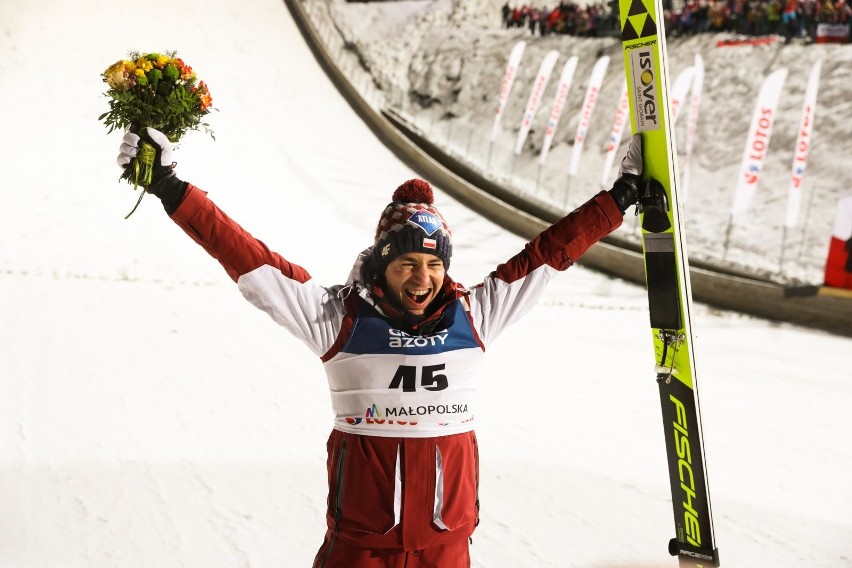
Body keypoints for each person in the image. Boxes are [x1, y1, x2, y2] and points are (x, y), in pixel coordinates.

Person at [115, 127, 643, 568]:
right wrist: (171, 188)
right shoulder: (337, 320)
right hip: (361, 550)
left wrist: (619, 199)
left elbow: (549, 253)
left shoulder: (474, 317)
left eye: (435, 264)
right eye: (407, 264)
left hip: (446, 547)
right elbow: (245, 255)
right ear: (381, 267)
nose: (423, 277)